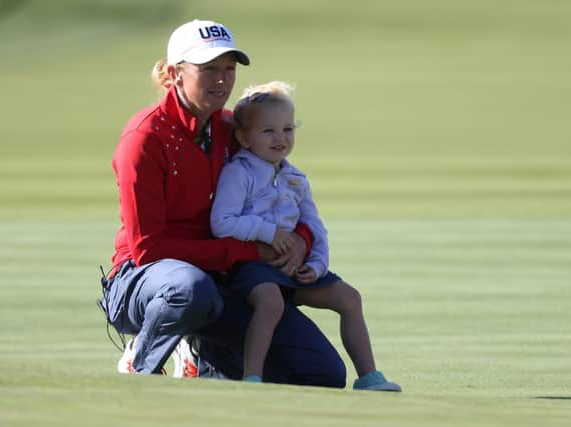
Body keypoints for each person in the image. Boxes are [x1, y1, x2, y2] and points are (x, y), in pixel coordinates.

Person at [99, 19, 346, 387]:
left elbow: (288, 189)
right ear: (174, 74)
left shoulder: (235, 130)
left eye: (229, 69)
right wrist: (246, 253)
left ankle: (198, 350)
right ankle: (143, 356)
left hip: (217, 281)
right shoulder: (145, 139)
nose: (222, 80)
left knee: (322, 372)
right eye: (209, 69)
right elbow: (149, 249)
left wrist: (301, 242)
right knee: (189, 289)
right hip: (142, 280)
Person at [210, 81, 401, 391]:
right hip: (252, 269)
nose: (280, 138)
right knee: (270, 302)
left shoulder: (295, 177)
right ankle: (252, 378)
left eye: (288, 129)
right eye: (268, 131)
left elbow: (314, 226)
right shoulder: (238, 172)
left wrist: (317, 265)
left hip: (294, 272)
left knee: (350, 298)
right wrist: (268, 232)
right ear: (244, 138)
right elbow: (223, 223)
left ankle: (369, 377)